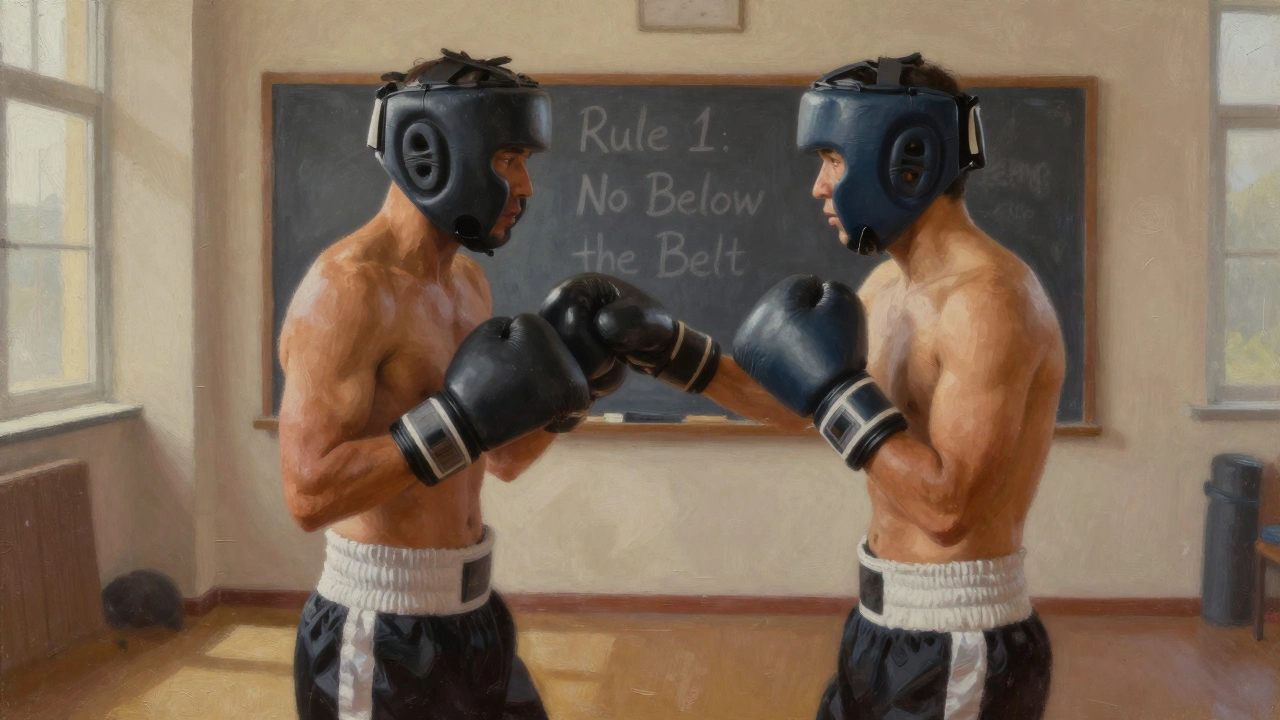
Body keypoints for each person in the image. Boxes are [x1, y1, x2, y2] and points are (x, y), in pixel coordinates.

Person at [732, 53, 1065, 718]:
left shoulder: (989, 301)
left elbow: (947, 510)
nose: (819, 187)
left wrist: (832, 394)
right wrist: (667, 353)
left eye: (832, 157)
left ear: (902, 158)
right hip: (880, 624)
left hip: (958, 641)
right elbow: (800, 405)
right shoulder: (886, 286)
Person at [278, 50, 603, 720]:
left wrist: (576, 390)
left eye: (526, 163)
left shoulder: (465, 282)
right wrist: (454, 420)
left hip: (472, 615)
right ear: (431, 150)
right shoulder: (346, 290)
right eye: (509, 159)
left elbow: (503, 459)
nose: (526, 187)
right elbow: (309, 493)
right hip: (377, 631)